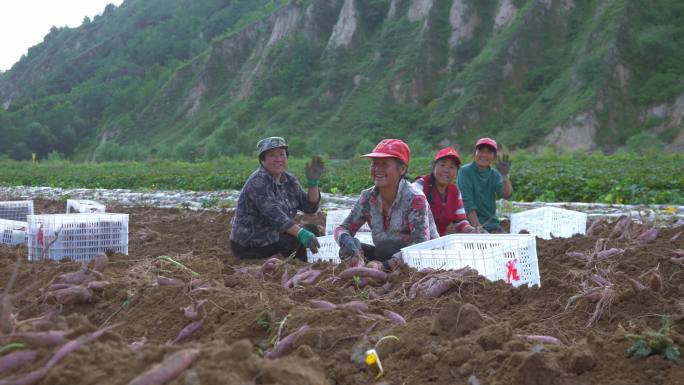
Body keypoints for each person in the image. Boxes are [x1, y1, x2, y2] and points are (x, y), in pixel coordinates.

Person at [333, 139, 434, 270]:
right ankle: (366, 268)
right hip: (383, 254)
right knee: (348, 250)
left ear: (402, 169)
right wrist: (345, 240)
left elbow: (421, 245)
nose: (377, 169)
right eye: (375, 163)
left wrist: (385, 266)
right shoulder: (367, 197)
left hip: (420, 260)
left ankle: (379, 269)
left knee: (385, 249)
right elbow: (342, 228)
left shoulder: (415, 199)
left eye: (385, 164)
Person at [230, 136, 323, 261]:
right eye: (273, 156)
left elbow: (310, 208)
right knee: (293, 240)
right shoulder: (258, 182)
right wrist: (301, 233)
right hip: (250, 243)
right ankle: (304, 263)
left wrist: (313, 183)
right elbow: (276, 216)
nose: (278, 159)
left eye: (282, 155)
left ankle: (308, 261)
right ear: (263, 160)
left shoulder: (289, 180)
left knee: (312, 230)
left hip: (274, 234)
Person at [414, 147, 476, 236]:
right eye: (442, 165)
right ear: (434, 166)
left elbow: (461, 221)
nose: (446, 170)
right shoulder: (420, 185)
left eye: (451, 167)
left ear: (456, 172)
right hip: (416, 238)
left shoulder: (455, 192)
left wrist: (470, 230)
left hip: (440, 239)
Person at [457, 137, 513, 233]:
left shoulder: (494, 174)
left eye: (489, 152)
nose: (484, 155)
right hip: (469, 225)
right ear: (475, 153)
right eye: (481, 151)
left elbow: (506, 195)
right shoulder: (465, 172)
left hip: (492, 224)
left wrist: (504, 177)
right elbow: (467, 201)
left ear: (494, 157)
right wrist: (478, 227)